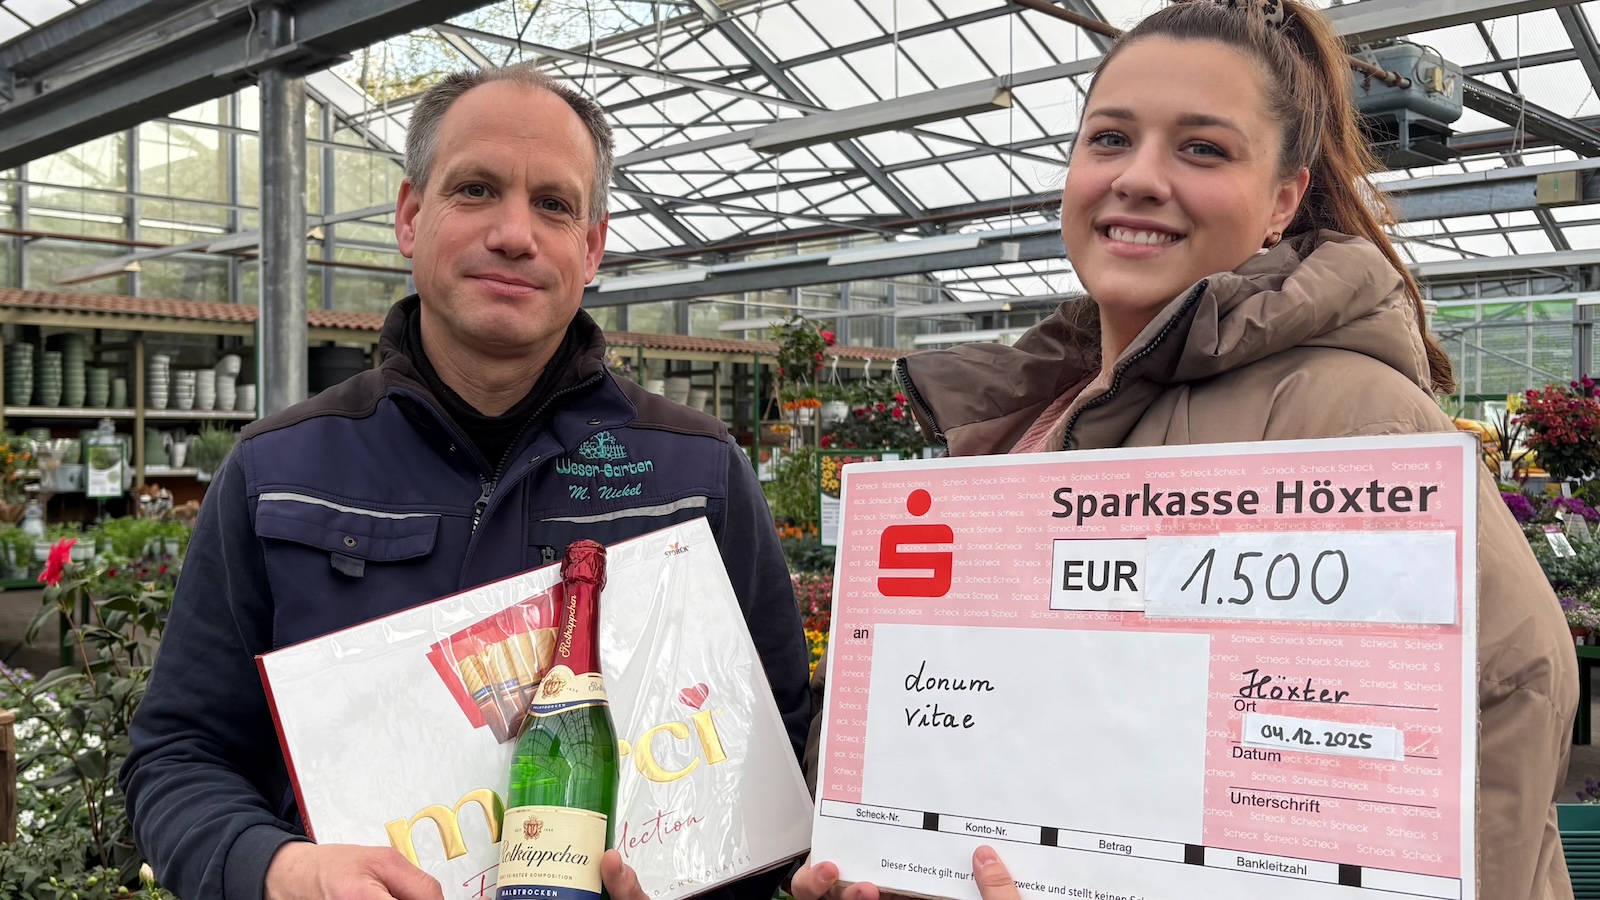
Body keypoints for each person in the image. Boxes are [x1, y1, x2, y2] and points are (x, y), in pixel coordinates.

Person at [793, 1, 1578, 899]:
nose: (1138, 177)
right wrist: (882, 851)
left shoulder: (1346, 414)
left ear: (1283, 201)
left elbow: (1508, 697)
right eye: (1110, 139)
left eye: (1202, 148)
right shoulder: (1032, 419)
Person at [118, 64, 810, 900]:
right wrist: (280, 870)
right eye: (476, 189)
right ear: (412, 217)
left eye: (553, 204)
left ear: (592, 247)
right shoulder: (280, 472)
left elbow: (776, 743)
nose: (515, 234)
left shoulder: (696, 474)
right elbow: (180, 752)